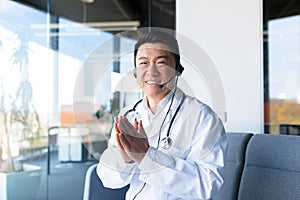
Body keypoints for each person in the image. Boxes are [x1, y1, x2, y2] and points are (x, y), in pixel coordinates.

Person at [97, 30, 227, 200]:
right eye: (143, 63)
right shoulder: (128, 116)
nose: (151, 71)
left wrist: (146, 156)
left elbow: (207, 185)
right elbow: (106, 178)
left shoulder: (202, 118)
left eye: (161, 63)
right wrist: (125, 160)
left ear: (177, 69)